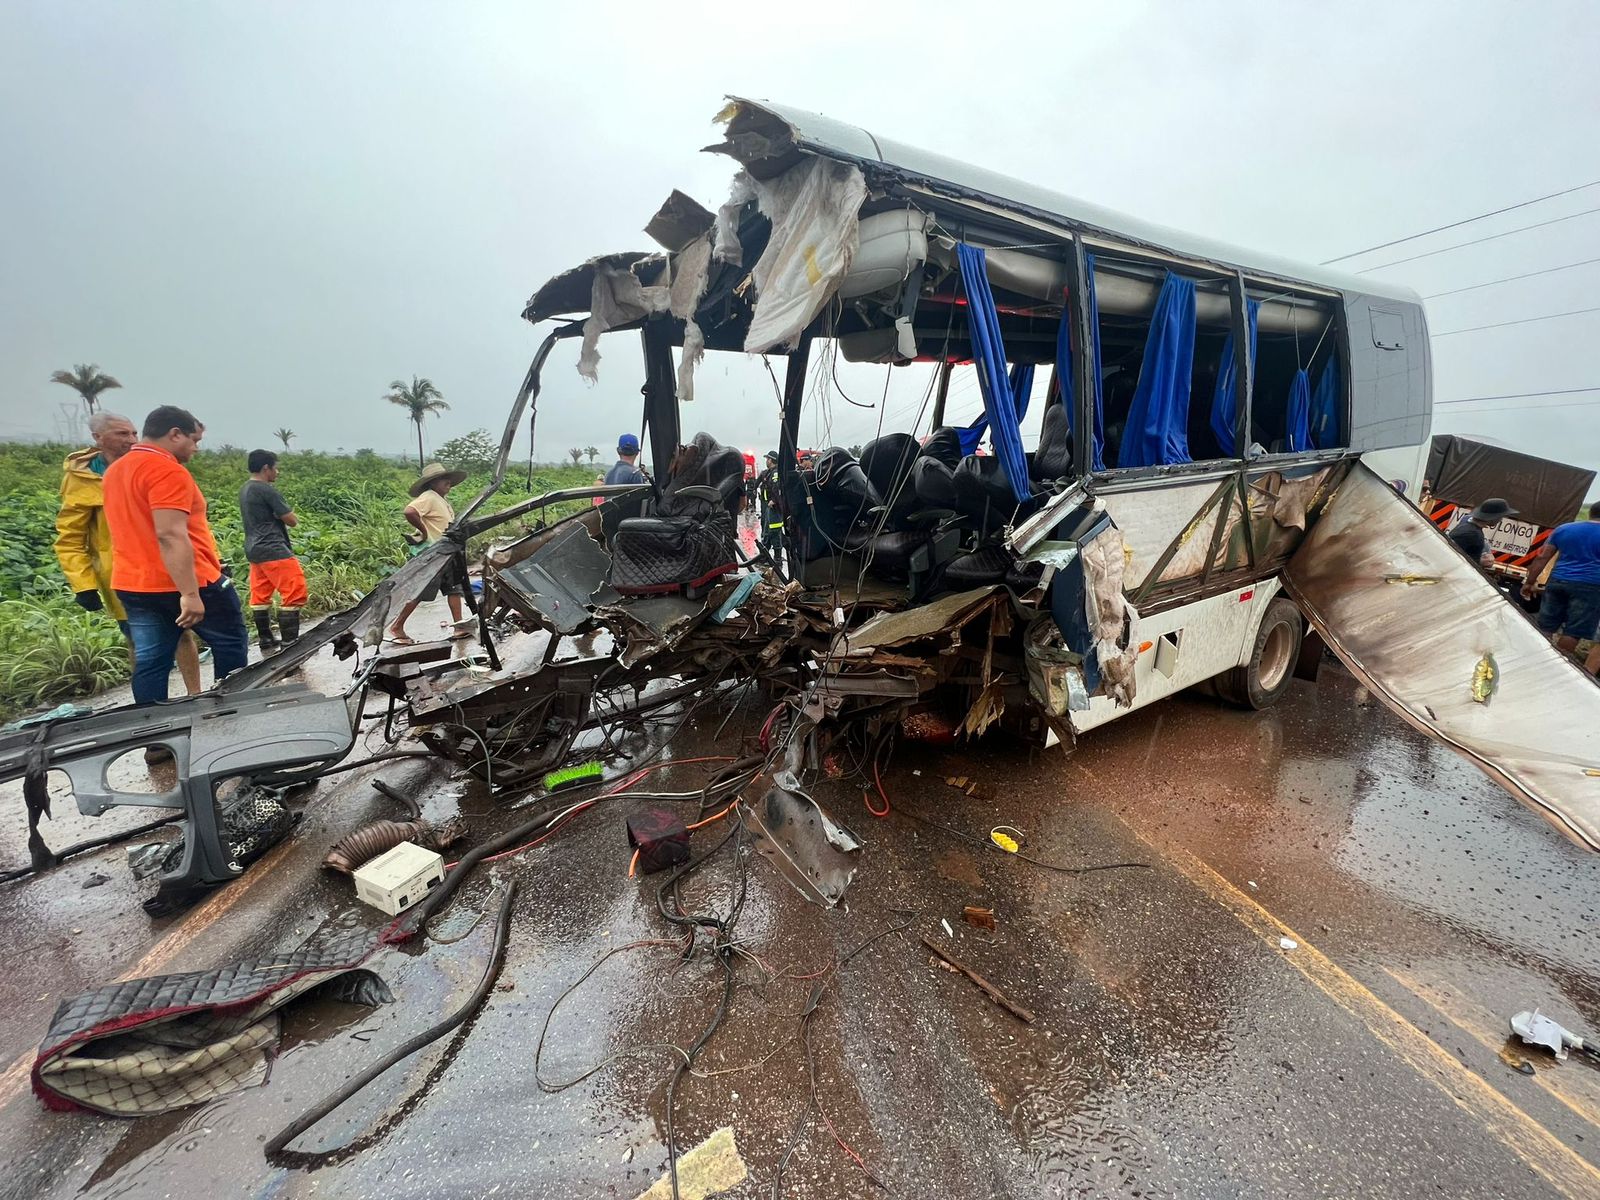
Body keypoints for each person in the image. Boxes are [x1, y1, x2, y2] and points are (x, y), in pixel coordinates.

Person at [103, 405, 249, 704]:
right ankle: (232, 719)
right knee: (230, 645)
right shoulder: (167, 470)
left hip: (134, 584)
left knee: (151, 662)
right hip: (188, 581)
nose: (195, 448)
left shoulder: (115, 471)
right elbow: (169, 534)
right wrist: (190, 594)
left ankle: (155, 742)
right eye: (193, 440)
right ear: (174, 434)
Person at [56, 411, 205, 698]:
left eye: (134, 433)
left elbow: (178, 525)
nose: (132, 439)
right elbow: (70, 537)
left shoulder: (150, 466)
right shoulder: (84, 480)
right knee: (139, 641)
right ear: (98, 438)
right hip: (124, 573)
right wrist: (82, 583)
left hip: (166, 566)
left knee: (183, 634)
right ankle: (151, 718)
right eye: (122, 434)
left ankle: (195, 697)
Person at [386, 461, 469, 645]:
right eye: (442, 479)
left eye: (447, 479)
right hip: (436, 553)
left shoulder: (441, 500)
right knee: (420, 591)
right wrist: (424, 532)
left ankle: (459, 626)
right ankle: (397, 626)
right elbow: (410, 511)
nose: (447, 482)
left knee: (454, 589)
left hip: (448, 552)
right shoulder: (429, 496)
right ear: (432, 483)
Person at [1522, 501, 1600, 676]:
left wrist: (1529, 582)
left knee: (1546, 625)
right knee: (1574, 630)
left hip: (1558, 581)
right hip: (1591, 586)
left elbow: (1542, 557)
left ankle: (1534, 660)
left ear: (1590, 513)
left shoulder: (1564, 529)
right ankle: (1554, 668)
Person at [239, 449, 307, 649]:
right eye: (275, 468)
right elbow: (292, 520)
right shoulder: (266, 489)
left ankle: (265, 638)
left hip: (254, 548)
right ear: (266, 468)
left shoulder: (245, 489)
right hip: (273, 548)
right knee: (295, 591)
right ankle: (289, 643)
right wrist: (283, 516)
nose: (277, 472)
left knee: (260, 594)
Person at [1447, 497, 1515, 573]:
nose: (1501, 520)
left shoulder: (1466, 520)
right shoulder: (1474, 535)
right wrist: (1482, 561)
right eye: (1501, 517)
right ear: (1493, 518)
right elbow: (1453, 558)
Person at [755, 450, 785, 570]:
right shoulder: (767, 473)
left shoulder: (775, 473)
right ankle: (764, 555)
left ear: (771, 460)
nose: (766, 461)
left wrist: (774, 500)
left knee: (774, 531)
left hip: (774, 507)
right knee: (767, 530)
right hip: (768, 507)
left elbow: (777, 487)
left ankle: (777, 559)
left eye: (767, 459)